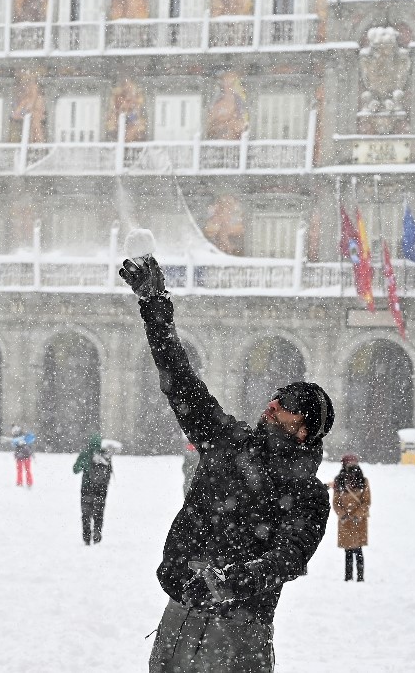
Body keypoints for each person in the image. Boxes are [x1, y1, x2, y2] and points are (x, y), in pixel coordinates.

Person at [120, 254, 334, 673]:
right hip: (178, 619)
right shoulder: (227, 440)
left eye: (287, 404)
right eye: (277, 395)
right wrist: (155, 308)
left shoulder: (309, 495)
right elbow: (180, 380)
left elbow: (289, 558)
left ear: (305, 429)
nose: (273, 404)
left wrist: (227, 580)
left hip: (240, 634)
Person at [331, 453, 370, 582]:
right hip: (345, 522)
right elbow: (336, 502)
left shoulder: (363, 481)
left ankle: (360, 577)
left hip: (359, 521)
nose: (352, 466)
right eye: (349, 463)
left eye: (353, 463)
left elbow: (366, 502)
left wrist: (357, 515)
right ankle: (348, 577)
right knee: (347, 551)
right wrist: (343, 515)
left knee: (358, 550)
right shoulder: (339, 481)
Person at [73, 434, 115, 545]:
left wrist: (84, 464)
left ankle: (86, 537)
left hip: (86, 488)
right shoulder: (104, 453)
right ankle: (97, 533)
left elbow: (75, 469)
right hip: (101, 489)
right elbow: (109, 471)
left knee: (86, 514)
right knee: (99, 513)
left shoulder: (85, 453)